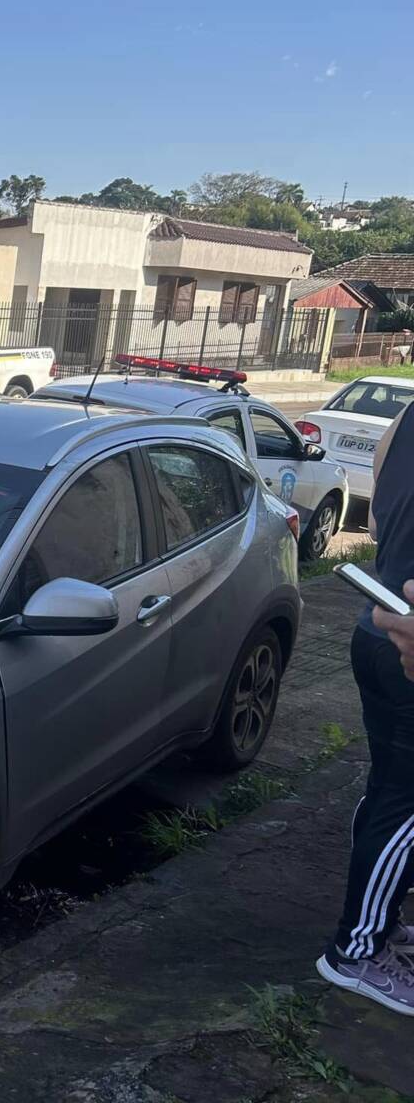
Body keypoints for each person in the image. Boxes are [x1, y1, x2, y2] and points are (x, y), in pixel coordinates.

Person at [319, 401, 414, 1013]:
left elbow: (379, 522)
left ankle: (373, 925)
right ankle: (358, 951)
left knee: (389, 791)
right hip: (405, 645)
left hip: (377, 629)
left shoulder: (406, 417)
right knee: (406, 804)